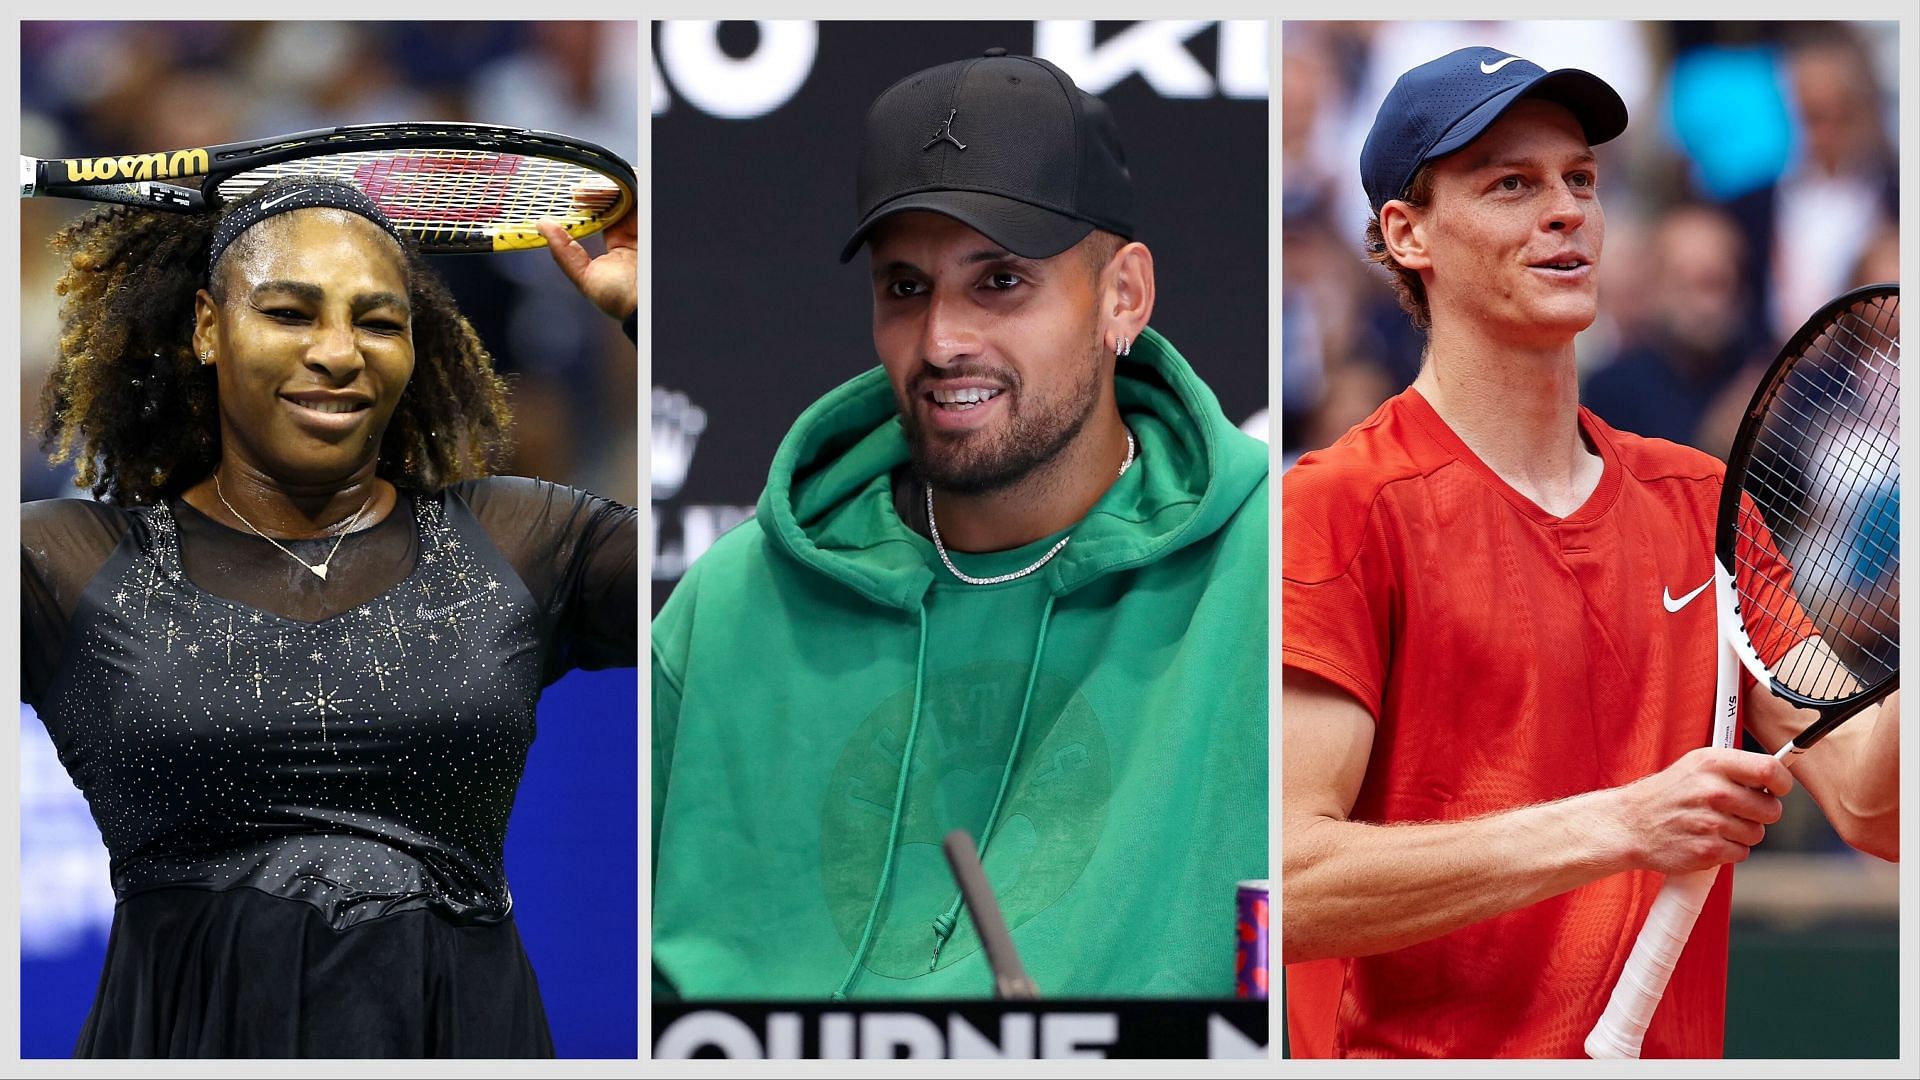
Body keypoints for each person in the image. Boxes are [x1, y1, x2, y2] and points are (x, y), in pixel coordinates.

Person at [1280, 47, 1899, 1059]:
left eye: (1581, 180)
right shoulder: (1337, 507)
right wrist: (1621, 827)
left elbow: (1877, 803)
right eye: (1512, 184)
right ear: (1408, 234)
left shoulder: (1703, 501)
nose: (1565, 210)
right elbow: (1290, 882)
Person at [651, 50, 1268, 1000]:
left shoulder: (1271, 567)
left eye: (1001, 282)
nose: (941, 340)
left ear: (1124, 296)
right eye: (906, 287)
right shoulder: (730, 601)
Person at [21, 175, 638, 1057]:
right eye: (291, 313)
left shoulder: (526, 537)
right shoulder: (64, 563)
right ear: (207, 327)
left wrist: (649, 317)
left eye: (379, 322)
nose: (340, 351)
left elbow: (766, 567)